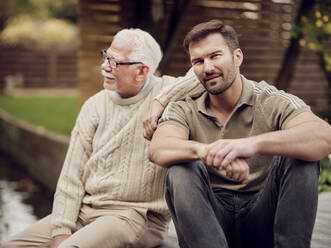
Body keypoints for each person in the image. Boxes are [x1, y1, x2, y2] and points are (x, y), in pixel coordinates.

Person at [3, 28, 204, 248]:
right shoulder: (94, 105)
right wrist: (61, 231)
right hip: (86, 212)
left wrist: (161, 101)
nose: (104, 66)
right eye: (105, 56)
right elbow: (72, 176)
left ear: (141, 71)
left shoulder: (167, 91)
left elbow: (203, 71)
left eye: (115, 62)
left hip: (135, 216)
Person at [148, 19, 331, 248]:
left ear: (237, 57)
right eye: (198, 61)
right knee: (181, 167)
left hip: (264, 216)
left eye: (215, 56)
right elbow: (158, 148)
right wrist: (204, 151)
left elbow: (323, 135)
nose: (207, 67)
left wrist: (251, 145)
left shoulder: (270, 99)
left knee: (302, 157)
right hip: (208, 223)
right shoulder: (183, 107)